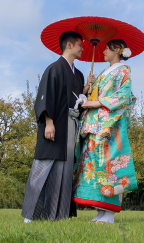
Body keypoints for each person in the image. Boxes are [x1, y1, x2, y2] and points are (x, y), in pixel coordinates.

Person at [22, 30, 95, 222]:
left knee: (64, 170)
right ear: (69, 45)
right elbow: (46, 96)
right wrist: (48, 122)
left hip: (71, 126)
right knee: (44, 165)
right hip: (55, 124)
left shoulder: (78, 74)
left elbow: (78, 98)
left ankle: (59, 214)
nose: (82, 48)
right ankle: (32, 215)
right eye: (80, 44)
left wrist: (86, 87)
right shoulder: (54, 68)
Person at [73, 38, 137, 224]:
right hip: (94, 123)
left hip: (110, 124)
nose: (103, 52)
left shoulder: (124, 70)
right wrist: (90, 85)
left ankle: (109, 212)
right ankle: (100, 210)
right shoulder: (103, 72)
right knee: (93, 165)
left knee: (109, 164)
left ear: (117, 50)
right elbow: (94, 94)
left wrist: (94, 102)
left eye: (107, 49)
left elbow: (123, 96)